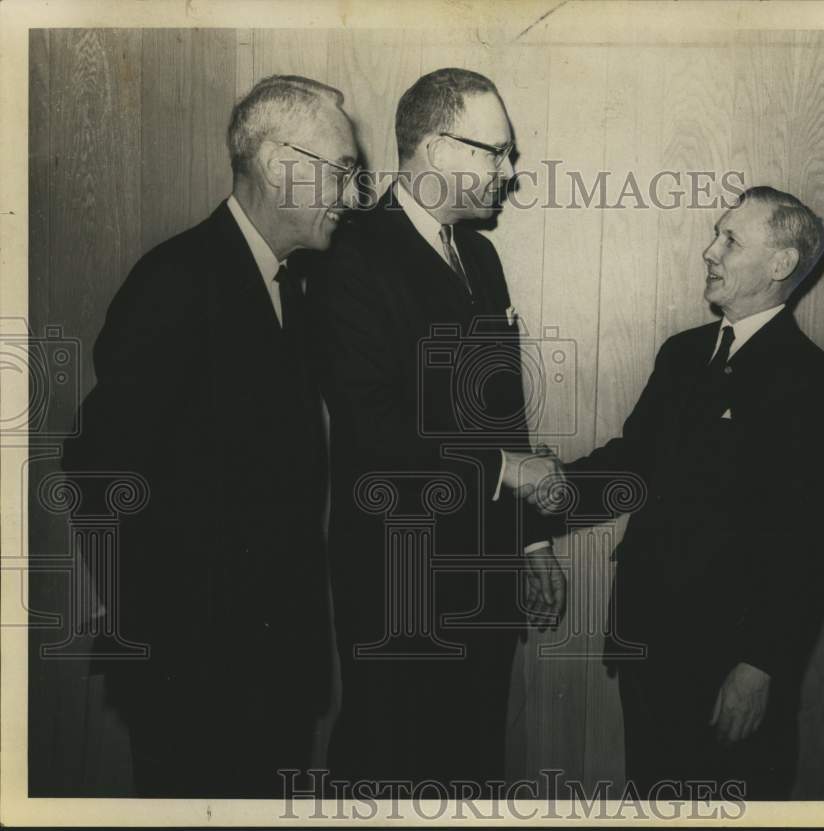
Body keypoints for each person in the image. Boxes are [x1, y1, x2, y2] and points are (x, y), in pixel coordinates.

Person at [61, 75, 360, 798]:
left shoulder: (295, 285)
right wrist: (156, 636)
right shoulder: (177, 280)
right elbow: (97, 469)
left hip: (269, 668)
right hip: (193, 675)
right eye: (344, 172)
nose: (352, 198)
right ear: (280, 164)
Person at [518, 186, 824, 799]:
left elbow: (804, 547)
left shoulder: (813, 383)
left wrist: (760, 667)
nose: (709, 250)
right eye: (715, 233)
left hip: (728, 661)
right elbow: (635, 467)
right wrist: (554, 489)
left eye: (730, 240)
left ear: (780, 265)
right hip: (647, 646)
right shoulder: (683, 355)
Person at [308, 67, 565, 795]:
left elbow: (500, 408)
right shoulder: (352, 252)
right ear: (432, 147)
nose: (509, 173)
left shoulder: (479, 254)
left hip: (482, 581)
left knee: (469, 770)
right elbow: (370, 422)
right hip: (400, 583)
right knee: (389, 772)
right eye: (496, 152)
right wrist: (506, 473)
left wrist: (530, 540)